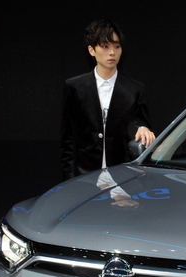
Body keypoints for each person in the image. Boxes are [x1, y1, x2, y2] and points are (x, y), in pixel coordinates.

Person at [61, 19, 155, 180]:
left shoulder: (135, 89)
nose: (112, 52)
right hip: (85, 176)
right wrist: (69, 180)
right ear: (91, 50)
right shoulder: (75, 87)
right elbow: (68, 141)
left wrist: (142, 128)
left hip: (123, 177)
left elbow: (140, 123)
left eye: (117, 46)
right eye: (105, 46)